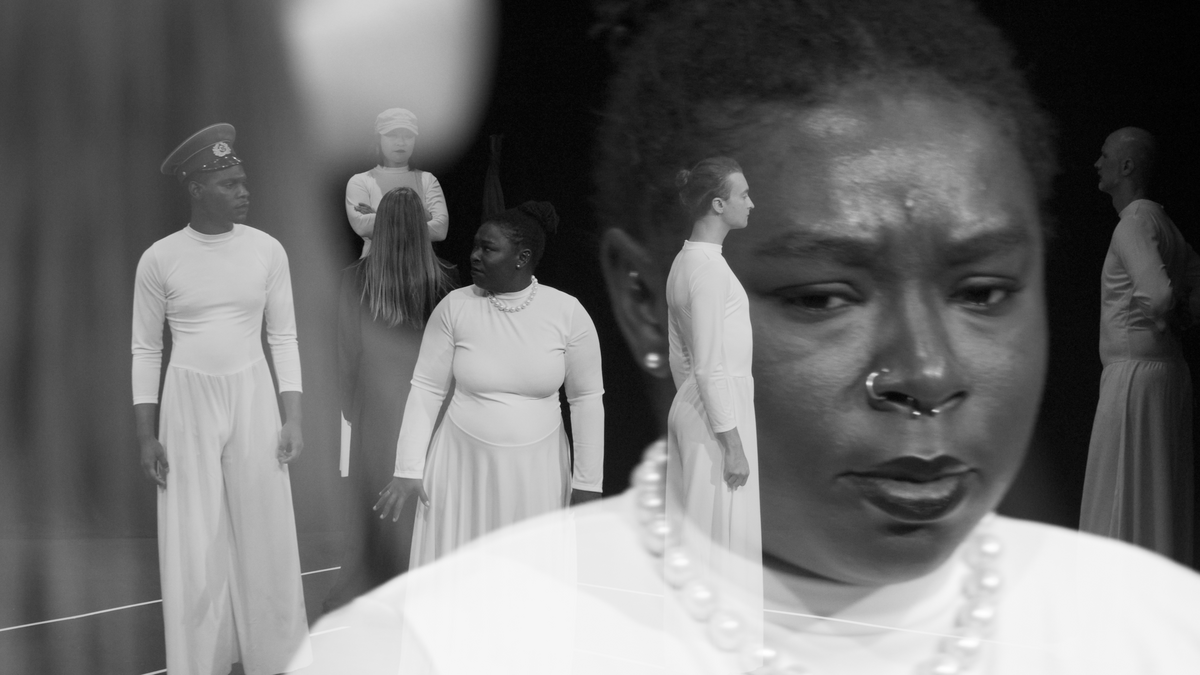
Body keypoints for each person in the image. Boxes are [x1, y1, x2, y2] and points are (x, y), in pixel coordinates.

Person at [301, 1, 1200, 673]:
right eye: (822, 297)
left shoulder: (1157, 631)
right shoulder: (428, 649)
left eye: (984, 291)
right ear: (643, 301)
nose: (926, 372)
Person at [133, 124, 311, 675]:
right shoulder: (160, 258)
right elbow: (145, 349)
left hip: (253, 394)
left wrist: (293, 417)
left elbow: (284, 336)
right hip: (187, 401)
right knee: (192, 538)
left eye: (243, 181)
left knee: (267, 529)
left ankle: (279, 659)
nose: (243, 191)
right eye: (229, 184)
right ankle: (198, 663)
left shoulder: (266, 250)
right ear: (197, 188)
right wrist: (146, 434)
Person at [372, 201, 605, 568]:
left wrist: (588, 483)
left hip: (536, 473)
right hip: (460, 468)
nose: (474, 255)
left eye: (488, 248)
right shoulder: (455, 307)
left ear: (522, 257)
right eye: (475, 246)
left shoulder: (567, 312)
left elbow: (587, 400)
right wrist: (408, 469)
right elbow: (427, 389)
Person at [323, 187, 458, 613]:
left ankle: (378, 586)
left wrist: (350, 408)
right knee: (426, 499)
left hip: (376, 408)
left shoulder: (353, 279)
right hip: (433, 409)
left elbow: (344, 353)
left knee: (376, 499)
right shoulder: (447, 281)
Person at [1080, 127, 1200, 567]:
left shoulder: (1133, 225)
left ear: (1127, 166)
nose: (1098, 163)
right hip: (1162, 374)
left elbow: (1159, 294)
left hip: (1134, 377)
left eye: (1105, 155)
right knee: (1156, 492)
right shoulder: (1164, 225)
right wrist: (1181, 317)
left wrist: (1166, 316)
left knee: (1121, 487)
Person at [664, 156, 761, 666]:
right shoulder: (706, 268)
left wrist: (692, 404)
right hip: (717, 412)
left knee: (704, 538)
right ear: (718, 204)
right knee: (715, 543)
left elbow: (681, 357)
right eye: (743, 194)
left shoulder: (688, 262)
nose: (751, 203)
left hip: (702, 405)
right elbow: (704, 363)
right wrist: (730, 438)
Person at [345, 108, 449, 258]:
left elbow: (440, 230)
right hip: (375, 266)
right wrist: (422, 216)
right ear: (378, 139)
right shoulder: (360, 181)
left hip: (420, 266)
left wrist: (379, 215)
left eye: (408, 136)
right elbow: (363, 227)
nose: (401, 142)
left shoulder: (427, 179)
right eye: (392, 135)